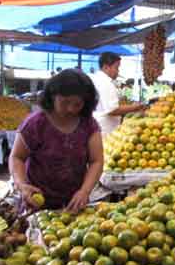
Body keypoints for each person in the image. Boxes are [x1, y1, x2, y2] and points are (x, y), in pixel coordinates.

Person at [9, 69, 104, 212]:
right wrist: (21, 184)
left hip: (74, 203)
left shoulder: (88, 124)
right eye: (65, 102)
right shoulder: (36, 123)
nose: (71, 109)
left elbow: (96, 161)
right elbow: (17, 157)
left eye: (77, 104)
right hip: (37, 202)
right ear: (53, 97)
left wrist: (85, 191)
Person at [91, 52, 145, 136]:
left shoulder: (96, 78)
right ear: (106, 67)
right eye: (116, 67)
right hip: (105, 130)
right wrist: (135, 107)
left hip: (99, 126)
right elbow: (112, 110)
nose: (118, 71)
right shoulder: (105, 82)